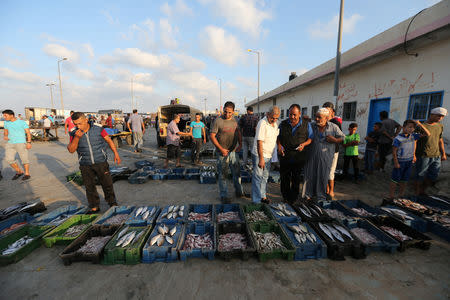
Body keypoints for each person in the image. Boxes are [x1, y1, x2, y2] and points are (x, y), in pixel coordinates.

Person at [67, 112, 121, 213]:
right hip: (85, 163)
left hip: (101, 161)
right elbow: (71, 150)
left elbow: (109, 140)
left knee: (107, 183)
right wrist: (77, 138)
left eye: (80, 123)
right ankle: (94, 205)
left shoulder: (98, 128)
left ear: (86, 120)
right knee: (89, 186)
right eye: (75, 124)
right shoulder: (74, 132)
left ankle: (112, 202)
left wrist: (116, 153)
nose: (78, 126)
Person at [304, 108, 345, 201]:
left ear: (326, 118)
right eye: (316, 117)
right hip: (311, 156)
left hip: (325, 157)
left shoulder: (333, 127)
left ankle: (320, 196)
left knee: (323, 176)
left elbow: (343, 138)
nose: (317, 119)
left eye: (319, 117)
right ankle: (308, 195)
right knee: (309, 175)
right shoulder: (311, 126)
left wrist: (335, 140)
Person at [210, 101, 246, 203]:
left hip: (233, 152)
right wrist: (221, 149)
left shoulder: (235, 120)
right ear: (223, 110)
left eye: (230, 112)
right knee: (223, 175)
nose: (227, 114)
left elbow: (238, 131)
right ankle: (224, 196)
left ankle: (239, 192)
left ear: (233, 112)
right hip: (222, 153)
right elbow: (212, 136)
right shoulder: (218, 121)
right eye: (225, 112)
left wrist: (240, 144)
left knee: (237, 173)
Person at [277, 104, 313, 203]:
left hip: (298, 156)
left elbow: (310, 138)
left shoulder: (306, 124)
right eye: (290, 114)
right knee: (284, 178)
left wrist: (304, 144)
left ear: (299, 114)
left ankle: (293, 198)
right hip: (285, 156)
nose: (292, 117)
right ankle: (285, 197)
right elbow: (278, 137)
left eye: (294, 115)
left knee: (296, 178)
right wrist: (279, 146)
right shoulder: (283, 124)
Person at [388, 120, 430, 199]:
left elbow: (428, 133)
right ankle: (391, 196)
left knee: (404, 179)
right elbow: (394, 151)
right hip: (400, 161)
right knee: (395, 179)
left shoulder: (413, 136)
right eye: (409, 127)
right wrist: (396, 163)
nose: (411, 129)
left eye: (413, 128)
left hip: (409, 161)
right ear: (403, 127)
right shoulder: (398, 138)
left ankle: (401, 195)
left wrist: (419, 124)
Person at [415, 107, 448, 195]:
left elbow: (440, 140)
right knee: (420, 174)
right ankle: (418, 192)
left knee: (433, 175)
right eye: (439, 116)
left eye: (442, 117)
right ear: (432, 115)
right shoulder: (421, 126)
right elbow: (414, 141)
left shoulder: (440, 126)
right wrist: (413, 155)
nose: (440, 118)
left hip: (436, 155)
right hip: (423, 155)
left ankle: (423, 190)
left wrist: (443, 153)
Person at [252, 106, 280, 203]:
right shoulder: (262, 123)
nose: (274, 120)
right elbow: (259, 142)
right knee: (258, 177)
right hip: (260, 155)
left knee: (265, 177)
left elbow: (275, 139)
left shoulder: (275, 124)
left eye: (277, 118)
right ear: (267, 114)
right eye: (273, 118)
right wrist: (261, 159)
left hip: (269, 155)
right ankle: (256, 200)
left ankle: (262, 196)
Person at [2, 109, 32, 181]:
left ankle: (27, 174)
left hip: (21, 143)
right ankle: (19, 171)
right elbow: (5, 131)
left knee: (24, 159)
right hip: (10, 143)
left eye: (5, 115)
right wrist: (5, 135)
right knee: (9, 159)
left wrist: (29, 142)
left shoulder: (21, 122)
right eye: (3, 116)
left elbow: (28, 132)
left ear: (11, 115)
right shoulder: (6, 122)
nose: (4, 117)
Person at [322, 102, 342, 199]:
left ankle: (331, 191)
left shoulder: (335, 122)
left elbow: (340, 138)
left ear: (332, 112)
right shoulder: (322, 121)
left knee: (330, 172)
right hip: (324, 150)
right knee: (324, 171)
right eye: (324, 109)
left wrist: (333, 139)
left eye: (328, 110)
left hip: (333, 151)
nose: (325, 112)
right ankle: (326, 190)